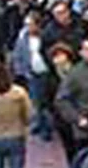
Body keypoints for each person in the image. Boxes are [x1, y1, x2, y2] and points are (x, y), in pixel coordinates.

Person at [9, 11, 55, 141]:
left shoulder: (45, 37)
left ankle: (46, 126)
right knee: (37, 102)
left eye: (30, 25)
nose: (28, 28)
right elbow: (18, 55)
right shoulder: (23, 39)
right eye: (26, 25)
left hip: (46, 73)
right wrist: (22, 71)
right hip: (32, 74)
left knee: (45, 102)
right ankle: (40, 125)